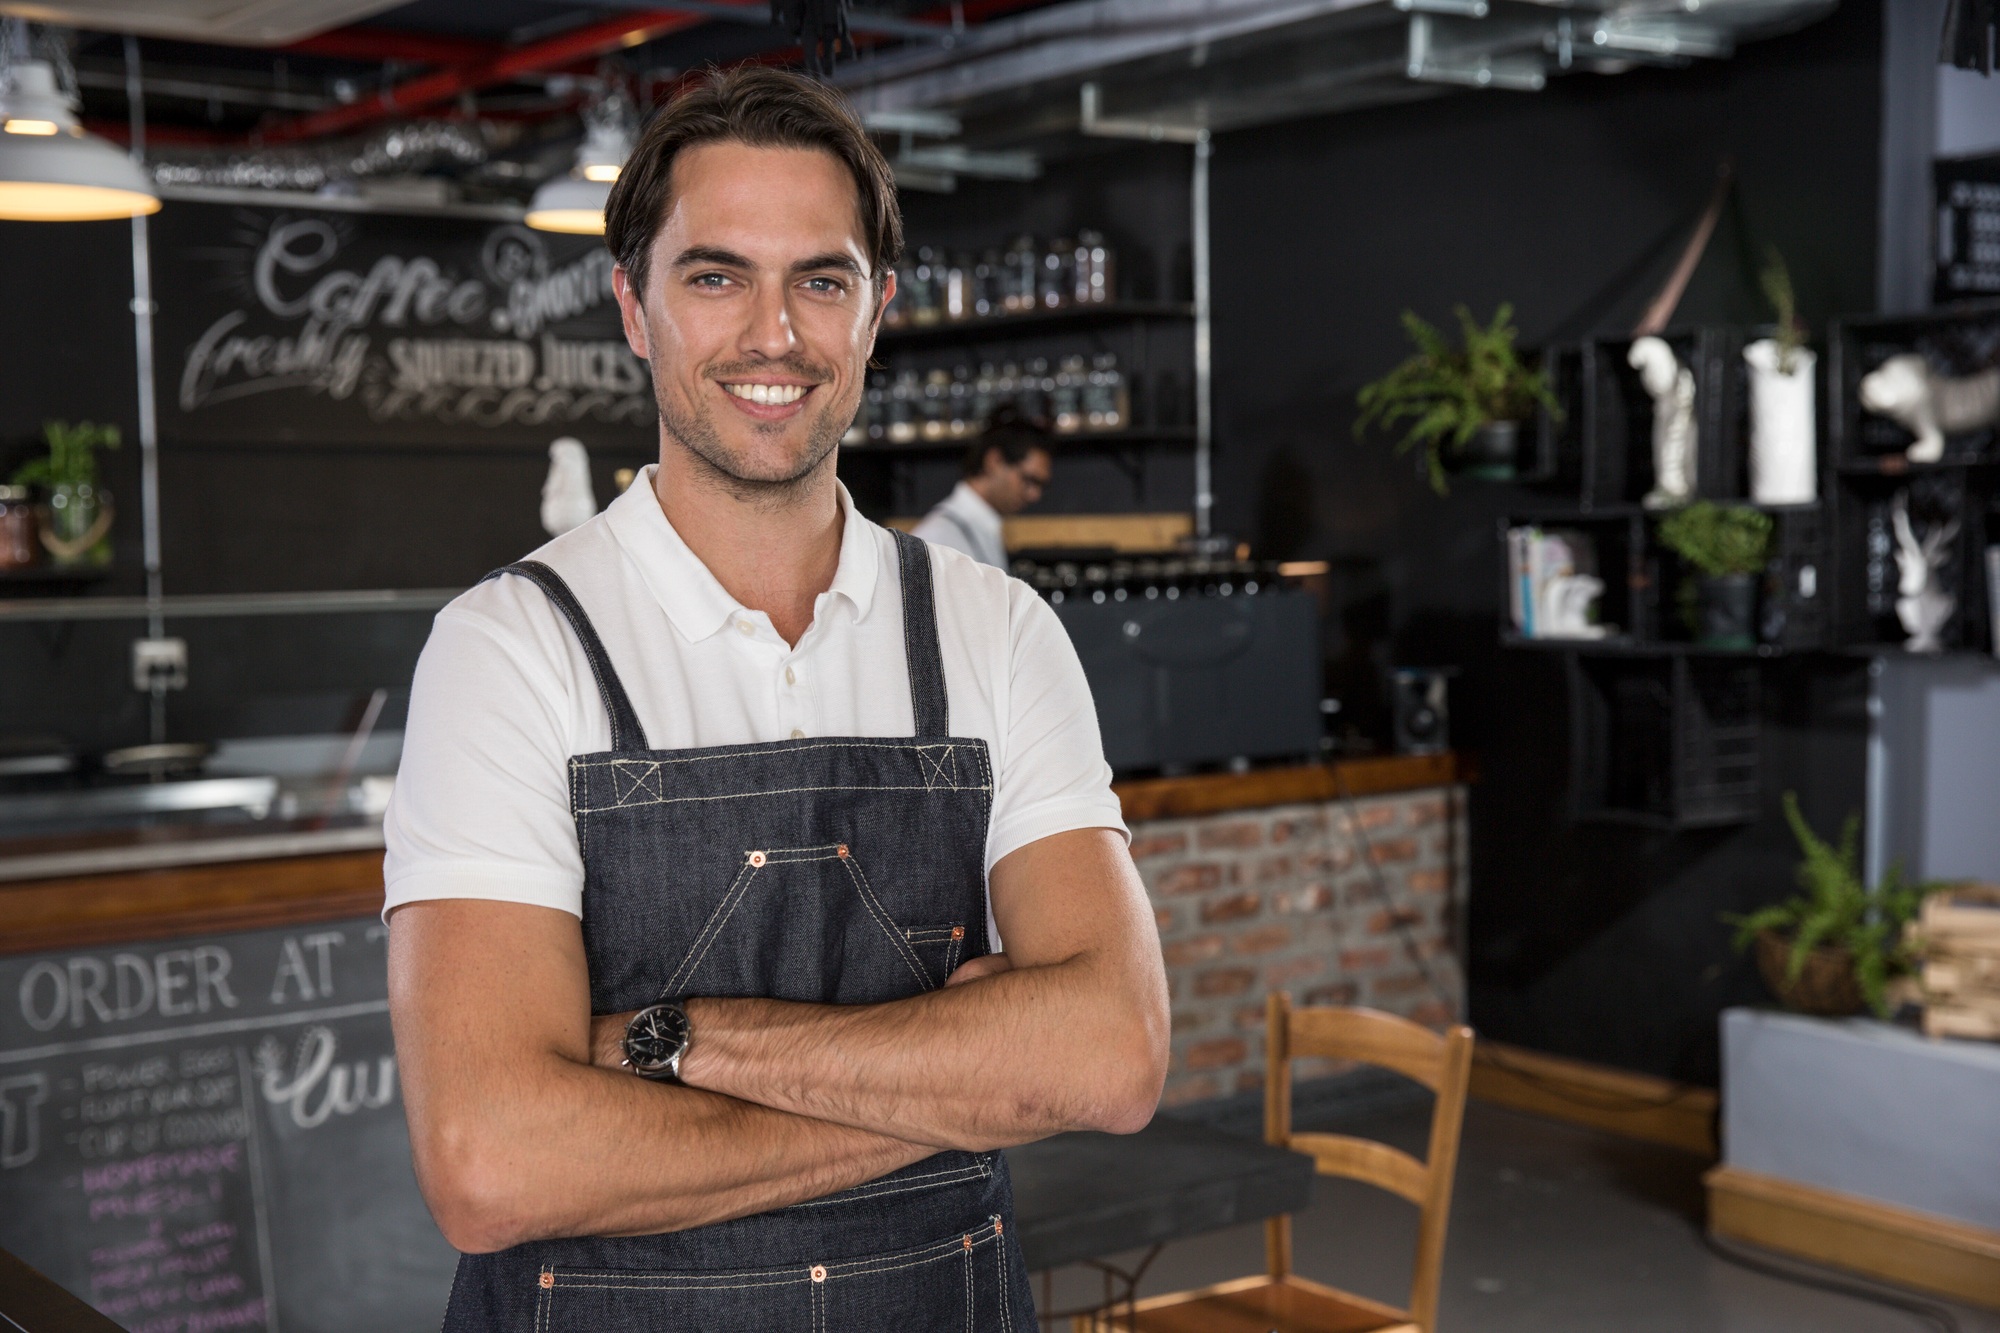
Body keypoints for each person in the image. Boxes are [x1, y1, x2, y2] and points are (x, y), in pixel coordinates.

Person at [382, 67, 1169, 1331]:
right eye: (714, 275)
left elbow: (1113, 1056)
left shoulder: (996, 631)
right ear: (633, 308)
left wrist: (670, 1040)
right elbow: (491, 1161)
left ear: (876, 312)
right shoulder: (510, 648)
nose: (774, 333)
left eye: (821, 278)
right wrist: (954, 1083)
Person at [911, 406, 1054, 568]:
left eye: (1041, 485)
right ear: (995, 461)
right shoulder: (936, 540)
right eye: (1028, 480)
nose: (1034, 495)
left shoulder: (981, 527)